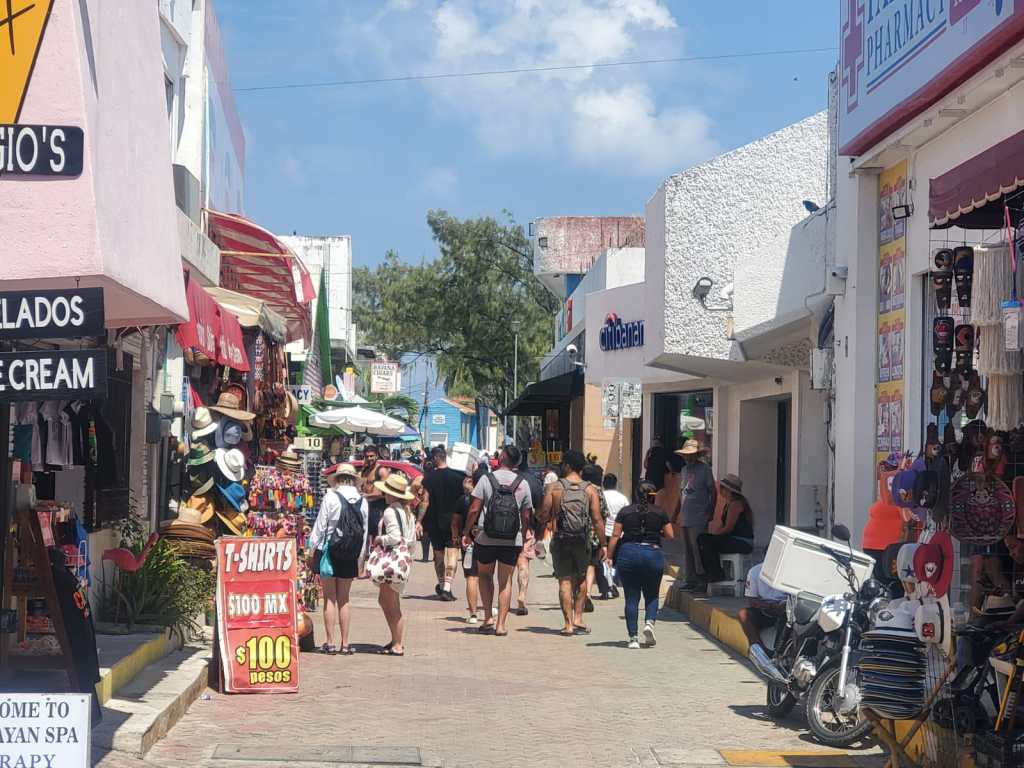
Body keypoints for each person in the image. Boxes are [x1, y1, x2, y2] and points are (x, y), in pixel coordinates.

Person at [461, 446, 533, 635]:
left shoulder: (486, 479)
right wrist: (523, 535)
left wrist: (466, 532)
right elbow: (526, 515)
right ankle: (501, 625)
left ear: (502, 458)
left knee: (485, 575)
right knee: (506, 580)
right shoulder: (523, 483)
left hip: (486, 537)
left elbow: (474, 509)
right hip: (512, 539)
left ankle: (488, 618)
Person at [538, 450, 607, 636]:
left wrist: (544, 523)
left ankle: (568, 624)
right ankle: (578, 618)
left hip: (561, 539)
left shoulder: (554, 487)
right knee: (582, 578)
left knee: (564, 581)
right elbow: (597, 519)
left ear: (567, 465)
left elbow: (544, 514)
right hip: (582, 540)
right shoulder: (590, 489)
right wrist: (603, 544)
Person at [308, 463, 368, 655]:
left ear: (338, 478)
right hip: (351, 554)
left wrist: (311, 550)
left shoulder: (331, 497)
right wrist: (361, 559)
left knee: (329, 599)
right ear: (353, 479)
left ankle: (330, 642)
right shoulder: (363, 501)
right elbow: (364, 532)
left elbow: (320, 526)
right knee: (344, 599)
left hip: (329, 552)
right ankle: (346, 644)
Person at [607, 481, 673, 648]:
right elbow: (670, 534)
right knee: (652, 595)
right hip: (653, 554)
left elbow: (615, 535)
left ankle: (633, 638)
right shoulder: (660, 512)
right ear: (653, 495)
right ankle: (649, 623)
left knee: (631, 597)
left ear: (636, 494)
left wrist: (609, 556)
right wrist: (656, 532)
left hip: (628, 554)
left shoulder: (625, 512)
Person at [373, 473, 416, 656]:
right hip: (402, 562)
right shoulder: (407, 512)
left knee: (389, 603)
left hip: (391, 562)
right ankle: (395, 639)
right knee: (390, 600)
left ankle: (397, 643)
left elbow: (394, 537)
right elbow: (411, 540)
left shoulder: (391, 511)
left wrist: (379, 539)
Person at [421, 445, 465, 601]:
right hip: (454, 522)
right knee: (453, 554)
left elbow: (425, 501)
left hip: (434, 522)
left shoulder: (429, 478)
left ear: (435, 458)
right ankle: (447, 587)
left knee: (438, 555)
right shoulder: (458, 477)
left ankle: (441, 585)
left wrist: (419, 520)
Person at [696, 473, 754, 585]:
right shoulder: (729, 504)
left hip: (742, 542)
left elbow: (728, 528)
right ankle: (713, 572)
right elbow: (722, 526)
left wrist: (713, 538)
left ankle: (715, 573)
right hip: (734, 540)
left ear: (727, 490)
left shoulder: (736, 504)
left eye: (722, 488)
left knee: (704, 540)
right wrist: (713, 536)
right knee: (704, 539)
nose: (720, 490)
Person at [675, 440, 716, 591]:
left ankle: (701, 581)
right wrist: (676, 513)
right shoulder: (684, 470)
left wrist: (711, 511)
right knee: (688, 550)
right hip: (686, 516)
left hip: (699, 516)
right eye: (687, 455)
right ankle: (690, 580)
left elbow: (713, 491)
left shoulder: (705, 469)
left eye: (692, 455)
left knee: (698, 549)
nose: (689, 458)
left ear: (697, 455)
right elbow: (681, 493)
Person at [452, 465, 488, 624]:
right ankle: (488, 612)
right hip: (488, 540)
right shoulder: (490, 496)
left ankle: (473, 613)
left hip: (469, 542)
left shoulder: (464, 499)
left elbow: (455, 521)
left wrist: (457, 536)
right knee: (487, 577)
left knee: (472, 577)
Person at [515, 461, 545, 616]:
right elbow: (541, 511)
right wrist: (539, 534)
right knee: (523, 562)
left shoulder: (507, 478)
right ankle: (522, 595)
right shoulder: (534, 482)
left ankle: (503, 597)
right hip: (527, 528)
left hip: (504, 528)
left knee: (505, 568)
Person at [581, 464, 612, 610]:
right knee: (590, 564)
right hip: (593, 534)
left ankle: (577, 592)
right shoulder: (597, 491)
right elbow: (603, 515)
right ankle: (587, 593)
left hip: (574, 533)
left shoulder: (575, 488)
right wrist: (603, 541)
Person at [738, 562, 787, 654]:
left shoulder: (791, 571)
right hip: (765, 608)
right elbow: (752, 600)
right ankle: (759, 650)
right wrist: (770, 606)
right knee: (744, 614)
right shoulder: (755, 571)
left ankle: (781, 652)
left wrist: (784, 606)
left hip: (787, 608)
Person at [601, 473, 628, 598]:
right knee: (616, 558)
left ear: (603, 484)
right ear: (615, 484)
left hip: (604, 532)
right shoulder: (623, 498)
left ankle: (608, 581)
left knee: (604, 559)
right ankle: (614, 580)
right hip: (619, 533)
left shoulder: (601, 496)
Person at [359, 444, 391, 540]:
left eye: (371, 456)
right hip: (366, 507)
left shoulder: (382, 471)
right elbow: (361, 486)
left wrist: (367, 495)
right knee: (366, 536)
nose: (369, 458)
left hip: (378, 509)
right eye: (367, 456)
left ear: (376, 456)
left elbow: (386, 494)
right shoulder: (365, 470)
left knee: (377, 537)